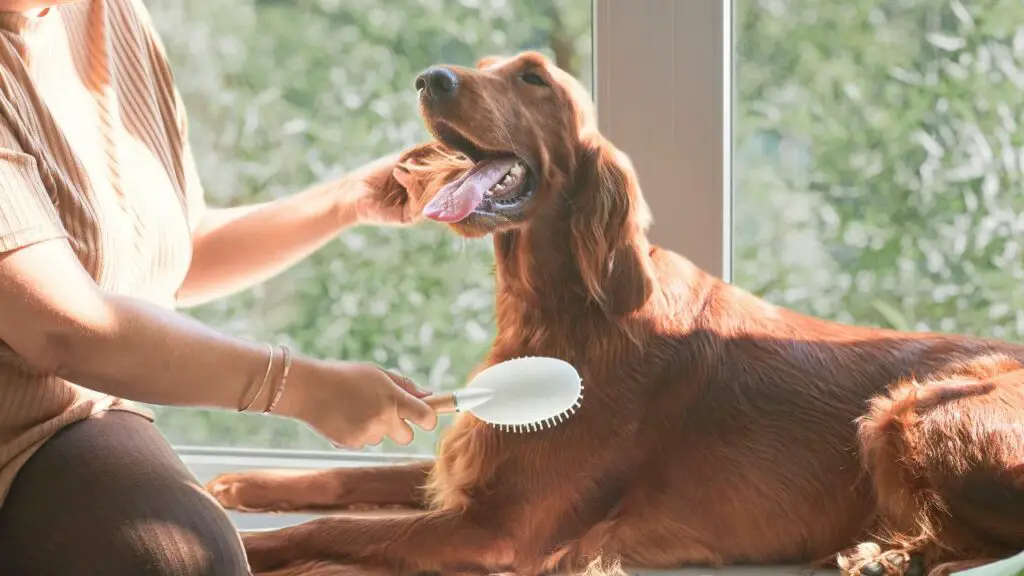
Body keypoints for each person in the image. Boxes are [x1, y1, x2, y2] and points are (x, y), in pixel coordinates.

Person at [0, 0, 442, 573]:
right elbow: (64, 329)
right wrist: (299, 387)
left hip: (71, 419)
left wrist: (344, 200)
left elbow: (172, 255)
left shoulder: (108, 15)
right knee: (168, 558)